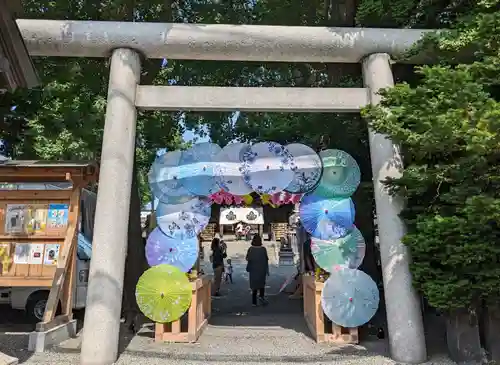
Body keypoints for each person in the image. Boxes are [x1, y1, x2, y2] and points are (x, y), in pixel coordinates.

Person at [246, 234, 269, 306]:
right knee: (262, 284)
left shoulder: (251, 249)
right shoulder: (263, 249)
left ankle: (254, 302)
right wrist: (267, 270)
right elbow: (266, 259)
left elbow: (247, 258)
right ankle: (261, 297)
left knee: (254, 286)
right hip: (262, 269)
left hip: (253, 269)